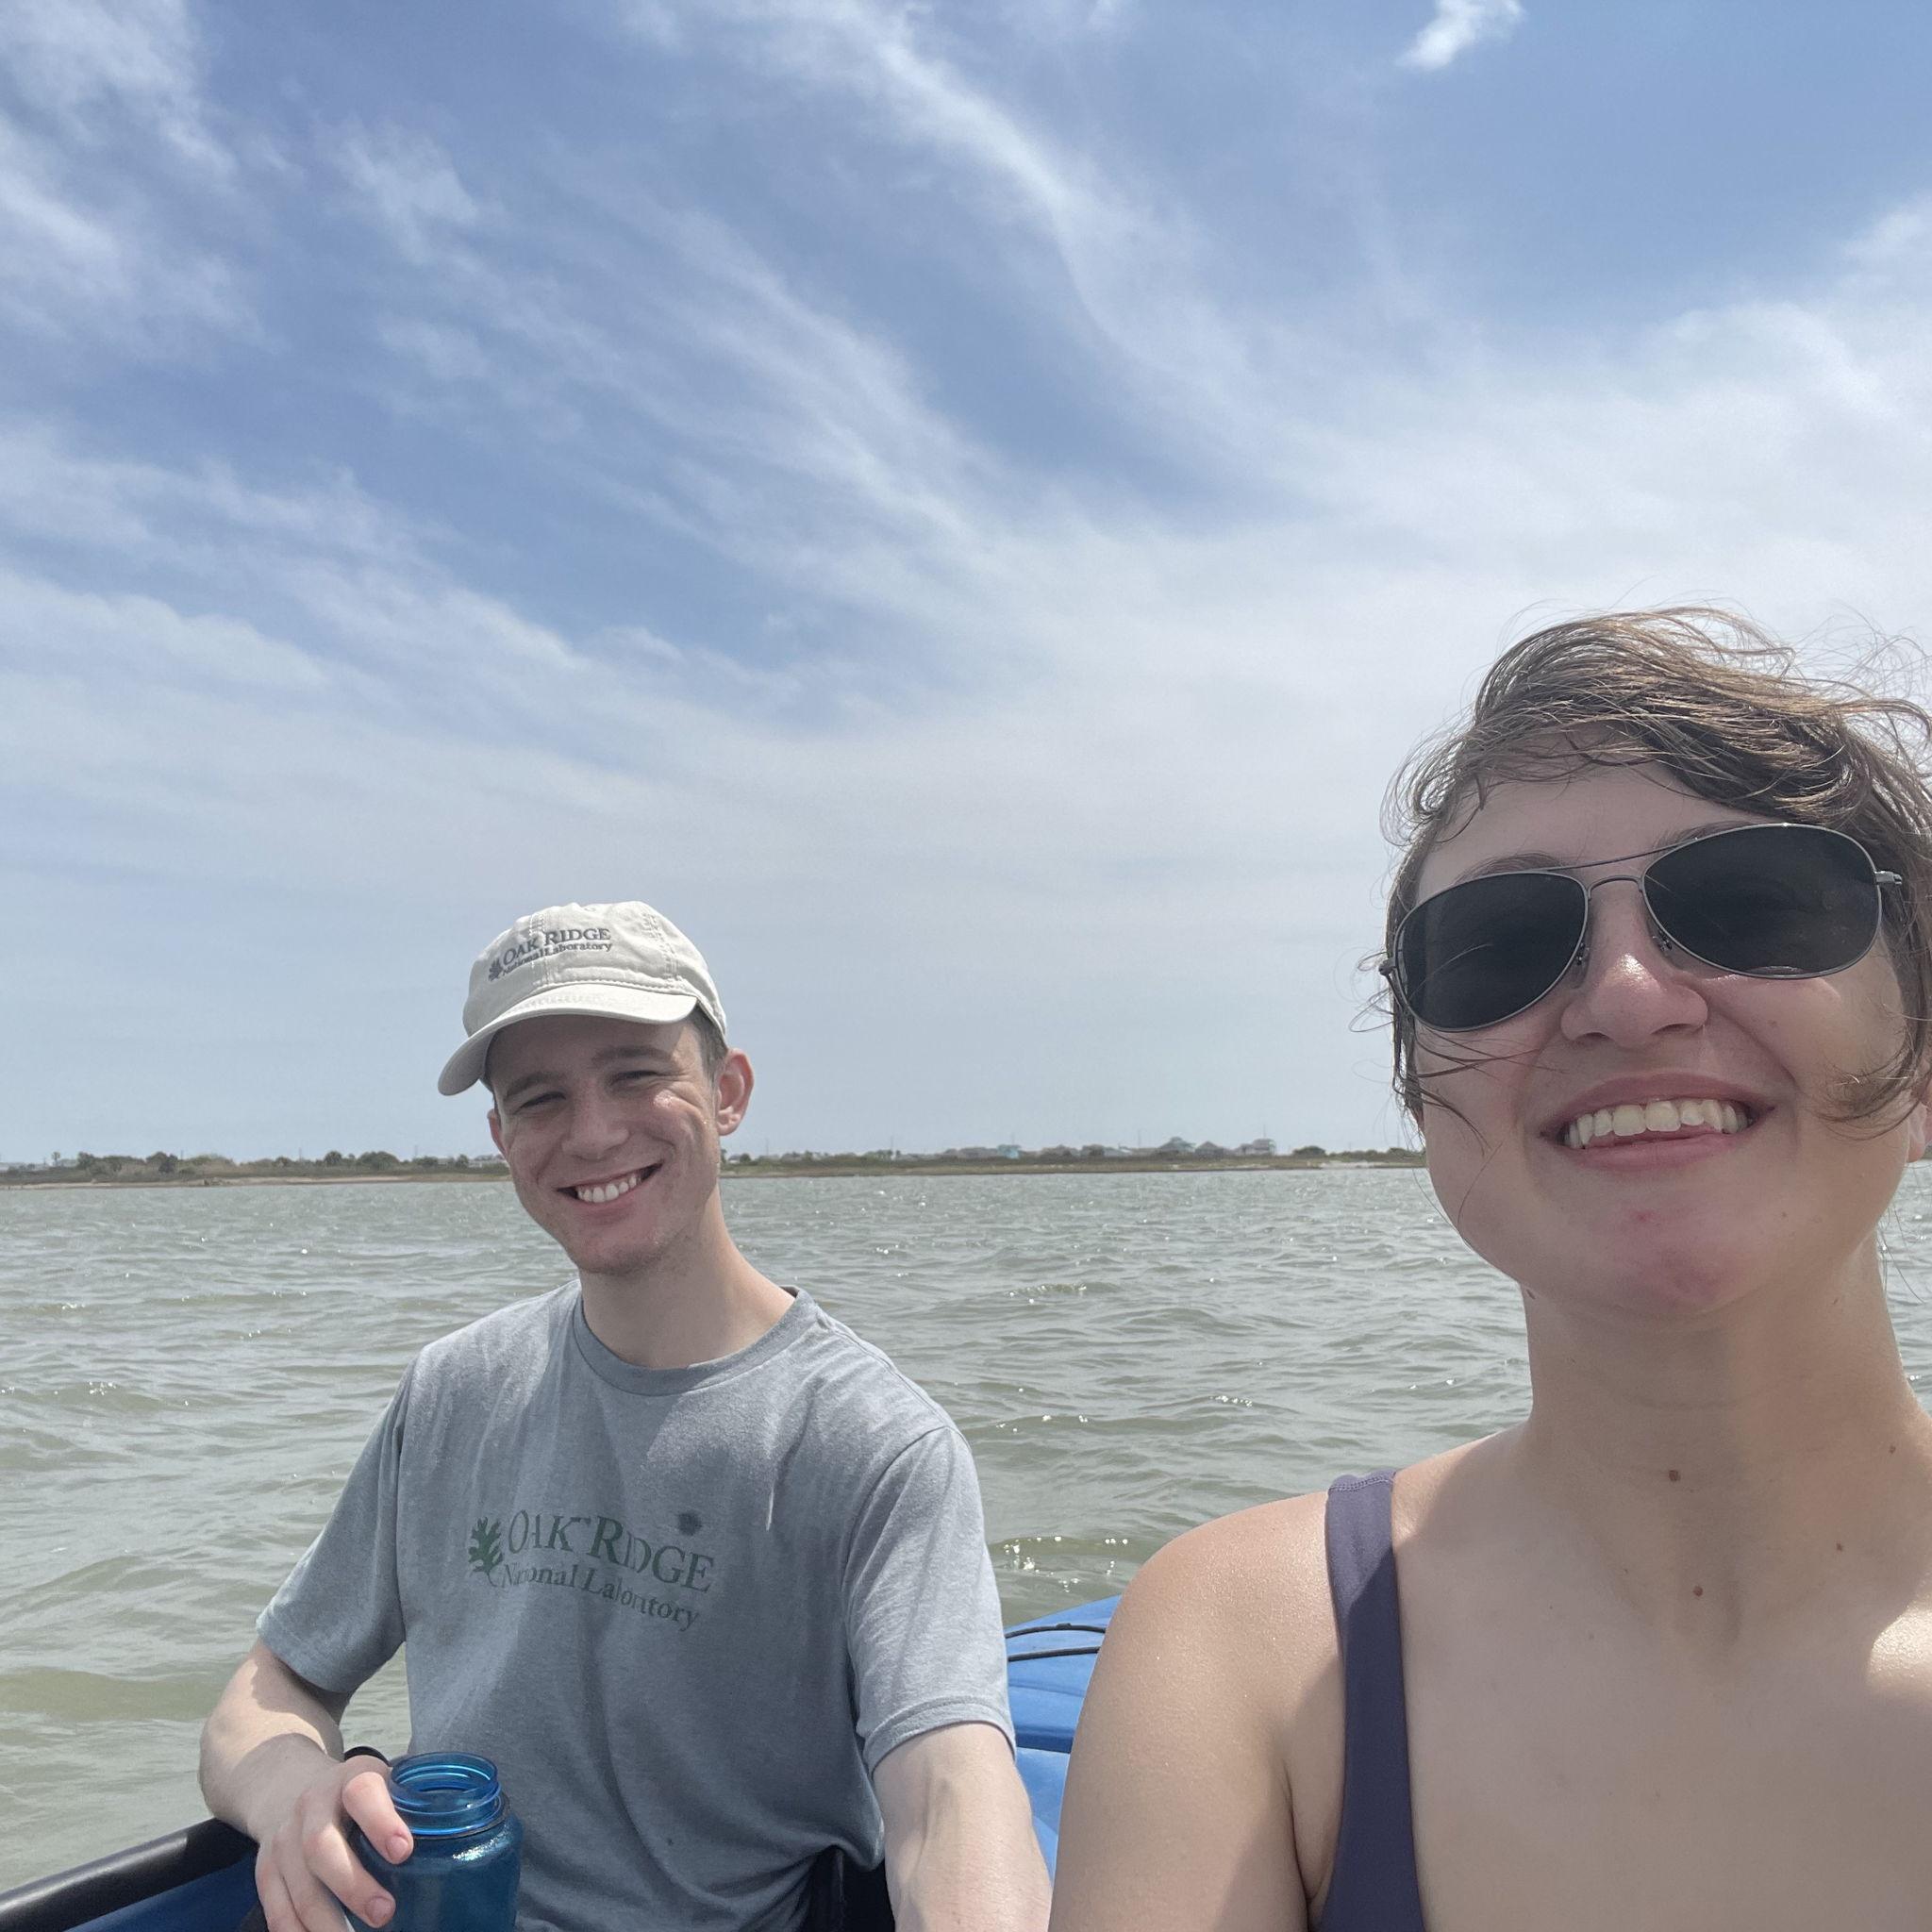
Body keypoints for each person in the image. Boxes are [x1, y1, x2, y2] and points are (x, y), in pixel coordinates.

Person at [1050, 609, 1932, 1931]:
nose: (1631, 995)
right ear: (1423, 1101)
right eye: (1501, 944)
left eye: (1754, 902)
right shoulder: (1249, 1653)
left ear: (1920, 1055)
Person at [200, 901, 1050, 1932]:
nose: (593, 1131)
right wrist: (294, 1788)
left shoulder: (872, 1445)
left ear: (727, 1090)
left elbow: (948, 1797)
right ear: (501, 1138)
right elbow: (272, 1683)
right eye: (539, 1097)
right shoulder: (450, 1390)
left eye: (636, 1073)